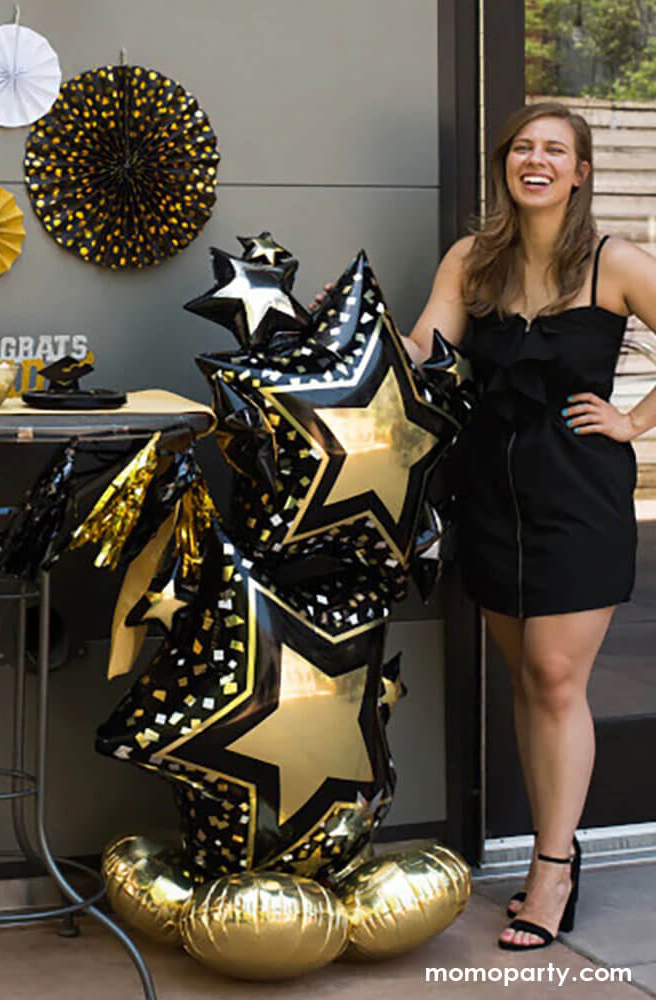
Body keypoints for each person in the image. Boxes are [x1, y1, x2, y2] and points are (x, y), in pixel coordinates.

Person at [312, 100, 656, 950]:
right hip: (489, 497)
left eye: (555, 151)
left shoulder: (615, 262)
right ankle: (555, 844)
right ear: (507, 164)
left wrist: (635, 422)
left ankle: (551, 870)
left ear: (581, 171)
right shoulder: (475, 258)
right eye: (522, 149)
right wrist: (355, 326)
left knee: (553, 676)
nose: (535, 161)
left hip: (580, 496)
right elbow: (426, 349)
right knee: (529, 683)